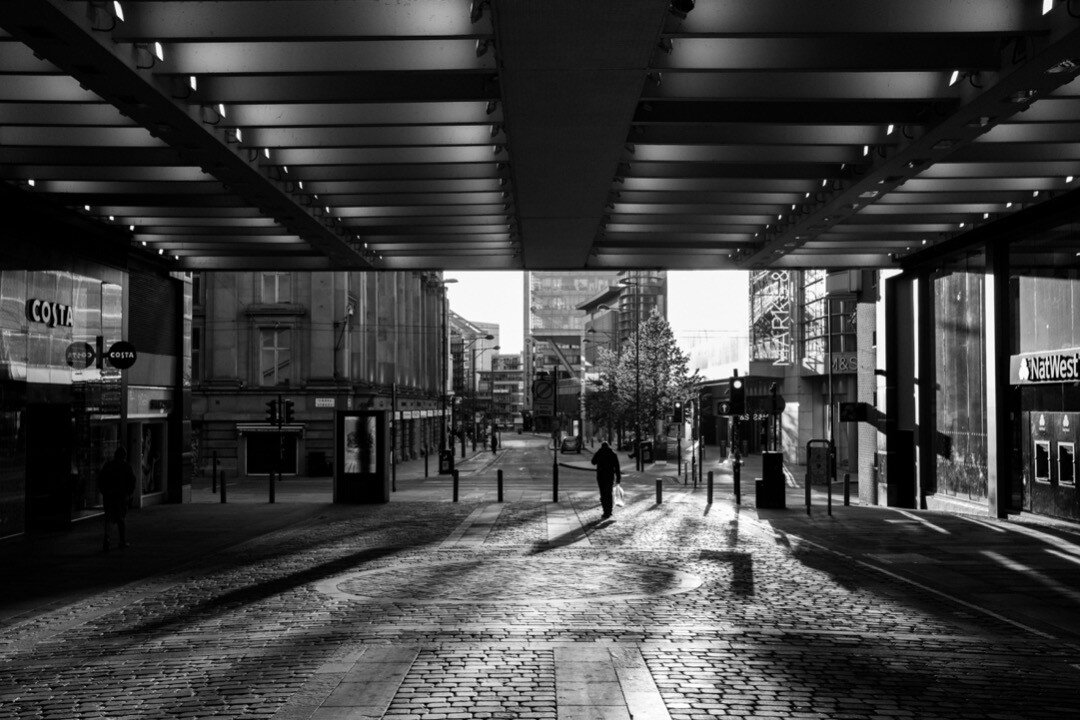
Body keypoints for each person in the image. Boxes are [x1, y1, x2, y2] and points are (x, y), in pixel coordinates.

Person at [97, 447, 136, 551]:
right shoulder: (126, 467)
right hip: (120, 496)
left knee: (109, 518)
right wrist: (129, 494)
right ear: (124, 456)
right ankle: (122, 541)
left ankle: (107, 539)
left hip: (109, 496)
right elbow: (132, 481)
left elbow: (101, 479)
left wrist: (104, 491)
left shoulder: (108, 466)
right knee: (120, 519)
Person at [590, 440, 621, 519]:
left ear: (601, 446)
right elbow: (617, 467)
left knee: (603, 494)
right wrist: (618, 478)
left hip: (601, 476)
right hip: (610, 476)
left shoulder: (599, 453)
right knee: (609, 493)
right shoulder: (613, 454)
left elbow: (593, 462)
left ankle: (605, 511)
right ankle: (609, 511)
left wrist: (598, 452)